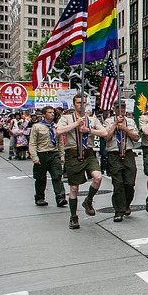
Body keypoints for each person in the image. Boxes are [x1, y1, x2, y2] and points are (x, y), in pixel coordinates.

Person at [56, 95, 107, 229]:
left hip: (89, 153)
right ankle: (73, 217)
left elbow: (104, 133)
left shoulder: (92, 119)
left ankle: (88, 200)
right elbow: (58, 131)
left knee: (98, 177)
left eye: (84, 102)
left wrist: (89, 130)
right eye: (79, 103)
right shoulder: (66, 118)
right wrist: (76, 124)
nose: (82, 105)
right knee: (74, 188)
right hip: (73, 154)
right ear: (74, 104)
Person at [103, 101, 140, 222]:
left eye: (123, 107)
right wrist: (114, 124)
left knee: (129, 183)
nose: (121, 110)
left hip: (128, 153)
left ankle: (126, 204)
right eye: (118, 108)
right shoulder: (108, 121)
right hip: (114, 154)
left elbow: (136, 137)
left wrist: (125, 129)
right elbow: (106, 137)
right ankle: (119, 211)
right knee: (118, 184)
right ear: (114, 109)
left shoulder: (130, 121)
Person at [28, 106, 67, 207]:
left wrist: (61, 156)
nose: (52, 114)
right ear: (44, 115)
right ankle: (39, 198)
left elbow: (60, 142)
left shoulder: (56, 127)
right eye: (49, 112)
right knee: (40, 178)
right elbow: (32, 143)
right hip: (42, 154)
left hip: (53, 153)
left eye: (53, 112)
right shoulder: (37, 127)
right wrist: (35, 157)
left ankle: (60, 198)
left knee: (57, 176)